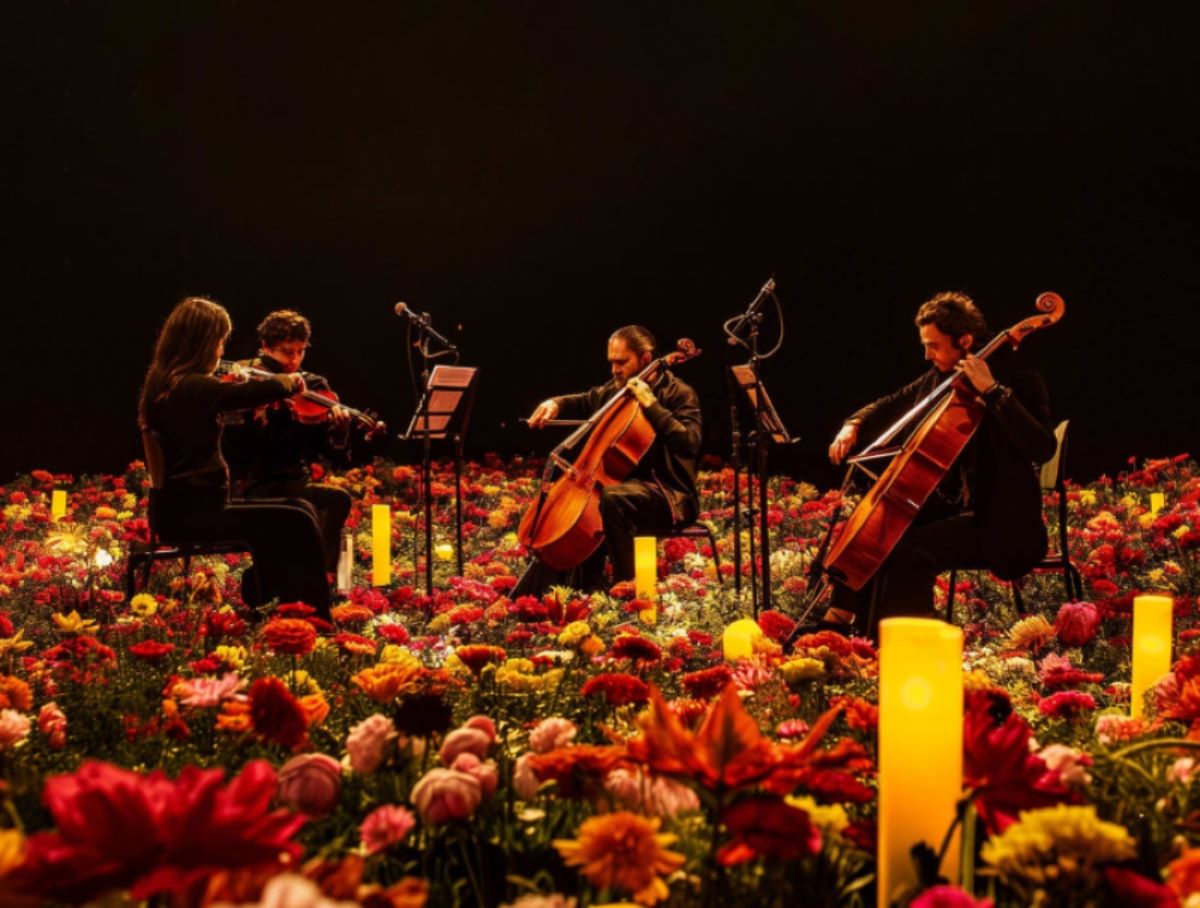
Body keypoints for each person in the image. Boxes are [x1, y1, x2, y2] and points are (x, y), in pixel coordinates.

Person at [820, 291, 1056, 636]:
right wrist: (852, 424)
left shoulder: (1019, 379)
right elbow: (889, 403)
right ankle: (850, 628)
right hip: (959, 513)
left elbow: (1042, 446)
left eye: (933, 345)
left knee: (908, 552)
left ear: (965, 340)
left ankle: (908, 645)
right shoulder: (944, 378)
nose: (927, 354)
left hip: (1003, 525)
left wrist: (992, 391)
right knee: (884, 532)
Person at [138, 297, 333, 620]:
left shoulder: (166, 383)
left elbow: (224, 397)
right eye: (218, 342)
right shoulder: (192, 386)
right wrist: (288, 381)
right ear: (201, 343)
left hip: (182, 508)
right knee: (298, 519)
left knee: (301, 508)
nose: (220, 351)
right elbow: (247, 394)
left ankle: (279, 603)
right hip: (193, 514)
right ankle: (317, 617)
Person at [515, 325, 702, 596]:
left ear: (647, 359)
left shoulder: (679, 394)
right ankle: (585, 588)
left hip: (669, 495)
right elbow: (584, 400)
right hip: (626, 490)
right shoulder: (618, 391)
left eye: (621, 362)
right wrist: (555, 403)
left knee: (613, 499)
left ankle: (627, 590)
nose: (614, 369)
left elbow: (689, 444)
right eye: (611, 362)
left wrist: (651, 404)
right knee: (605, 502)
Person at [222, 310, 357, 580]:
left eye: (300, 351)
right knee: (311, 507)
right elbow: (231, 445)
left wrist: (339, 432)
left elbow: (329, 453)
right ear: (265, 347)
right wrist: (257, 415)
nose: (294, 361)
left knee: (336, 499)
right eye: (286, 352)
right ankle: (305, 581)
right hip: (252, 483)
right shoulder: (246, 379)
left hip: (295, 480)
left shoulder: (314, 386)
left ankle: (319, 581)